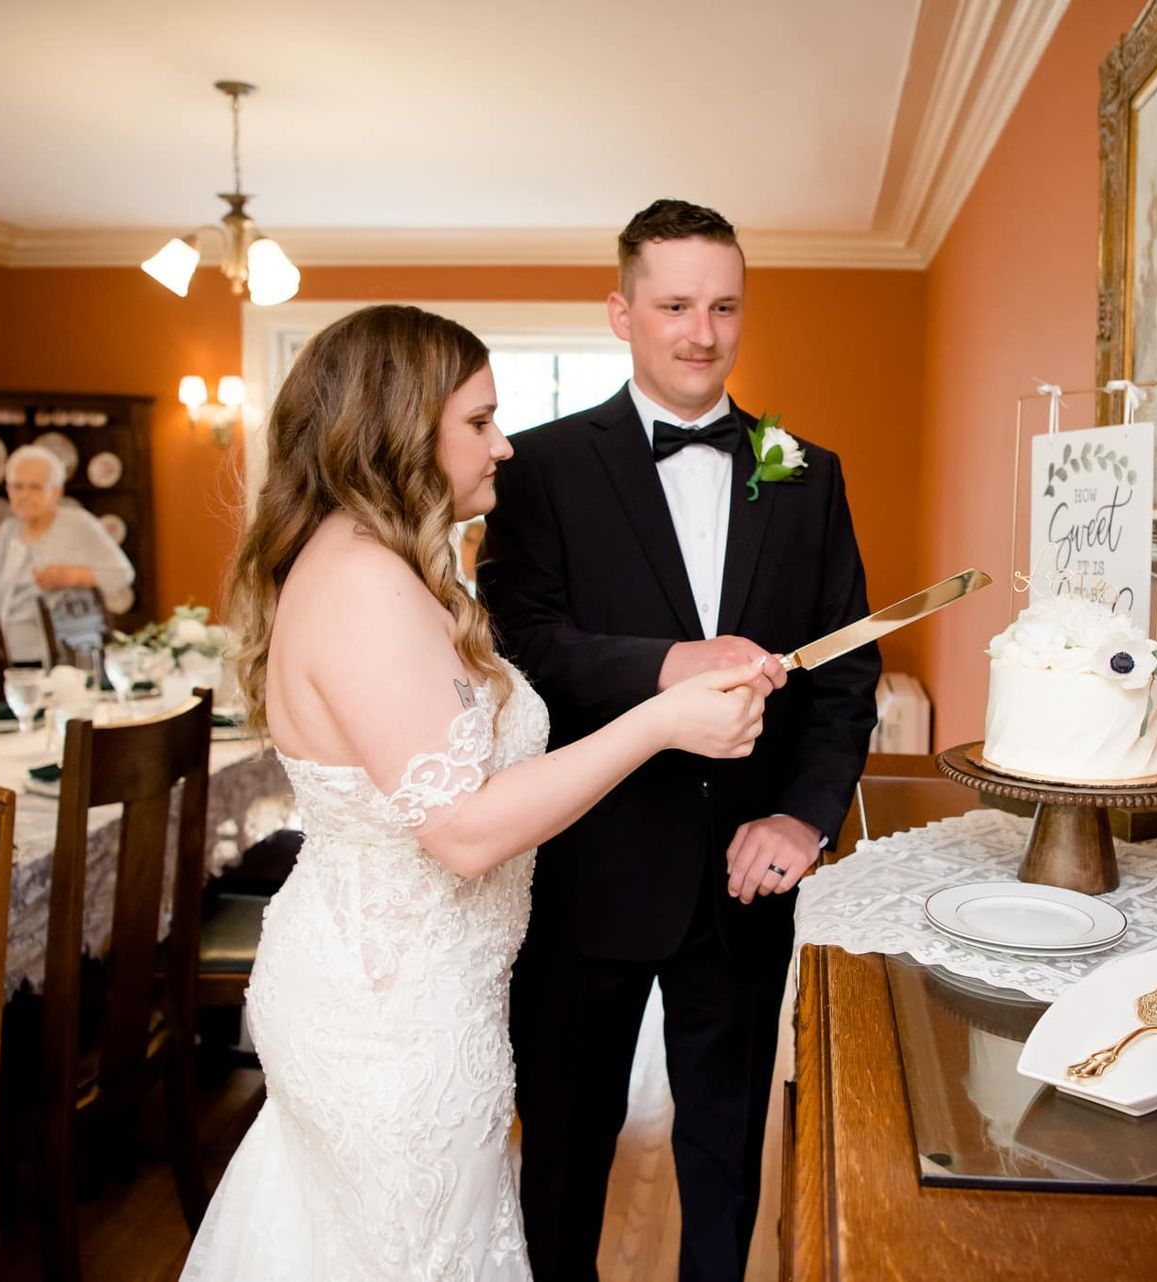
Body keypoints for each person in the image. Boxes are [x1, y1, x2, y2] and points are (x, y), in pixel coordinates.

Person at [180, 305, 769, 1280]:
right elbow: (460, 830)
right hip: (388, 1023)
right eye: (479, 421)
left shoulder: (388, 566)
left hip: (422, 996)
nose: (503, 444)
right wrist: (659, 720)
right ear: (401, 433)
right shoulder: (365, 583)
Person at [480, 199, 880, 1281]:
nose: (701, 332)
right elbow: (520, 644)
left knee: (723, 1152)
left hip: (744, 887)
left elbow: (845, 667)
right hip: (581, 870)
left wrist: (803, 816)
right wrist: (669, 667)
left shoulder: (809, 471)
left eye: (722, 306)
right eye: (673, 306)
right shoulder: (537, 466)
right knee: (560, 1151)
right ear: (621, 312)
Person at [0, 444, 133, 662]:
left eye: (35, 487)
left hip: (65, 655)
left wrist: (71, 576)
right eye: (17, 486)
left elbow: (121, 574)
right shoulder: (8, 530)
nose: (24, 495)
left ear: (56, 491)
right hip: (8, 652)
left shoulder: (77, 523)